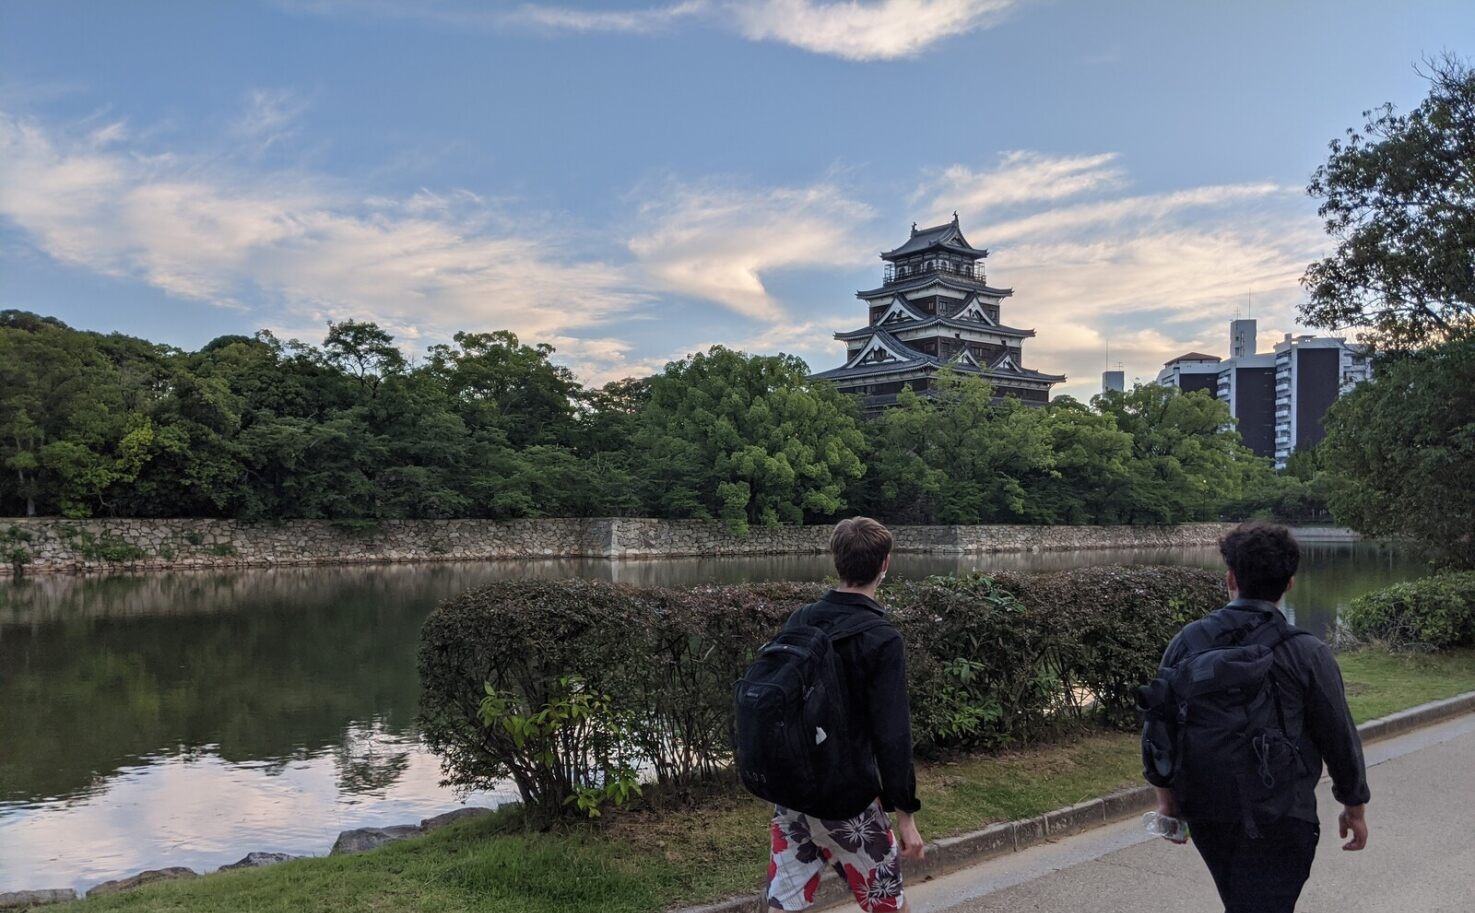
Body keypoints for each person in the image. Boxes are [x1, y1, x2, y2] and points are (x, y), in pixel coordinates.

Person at [1142, 522, 1370, 912]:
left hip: (1208, 811)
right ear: (1290, 584)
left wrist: (1168, 802)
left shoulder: (1188, 641)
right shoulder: (1308, 652)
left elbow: (1158, 726)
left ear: (1230, 578)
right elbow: (1338, 735)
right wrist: (1354, 806)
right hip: (1284, 814)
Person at [764, 517, 924, 913]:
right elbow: (892, 734)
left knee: (784, 904)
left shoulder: (801, 619)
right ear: (885, 564)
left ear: (836, 560)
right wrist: (906, 815)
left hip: (793, 795)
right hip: (847, 801)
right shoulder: (882, 638)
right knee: (887, 904)